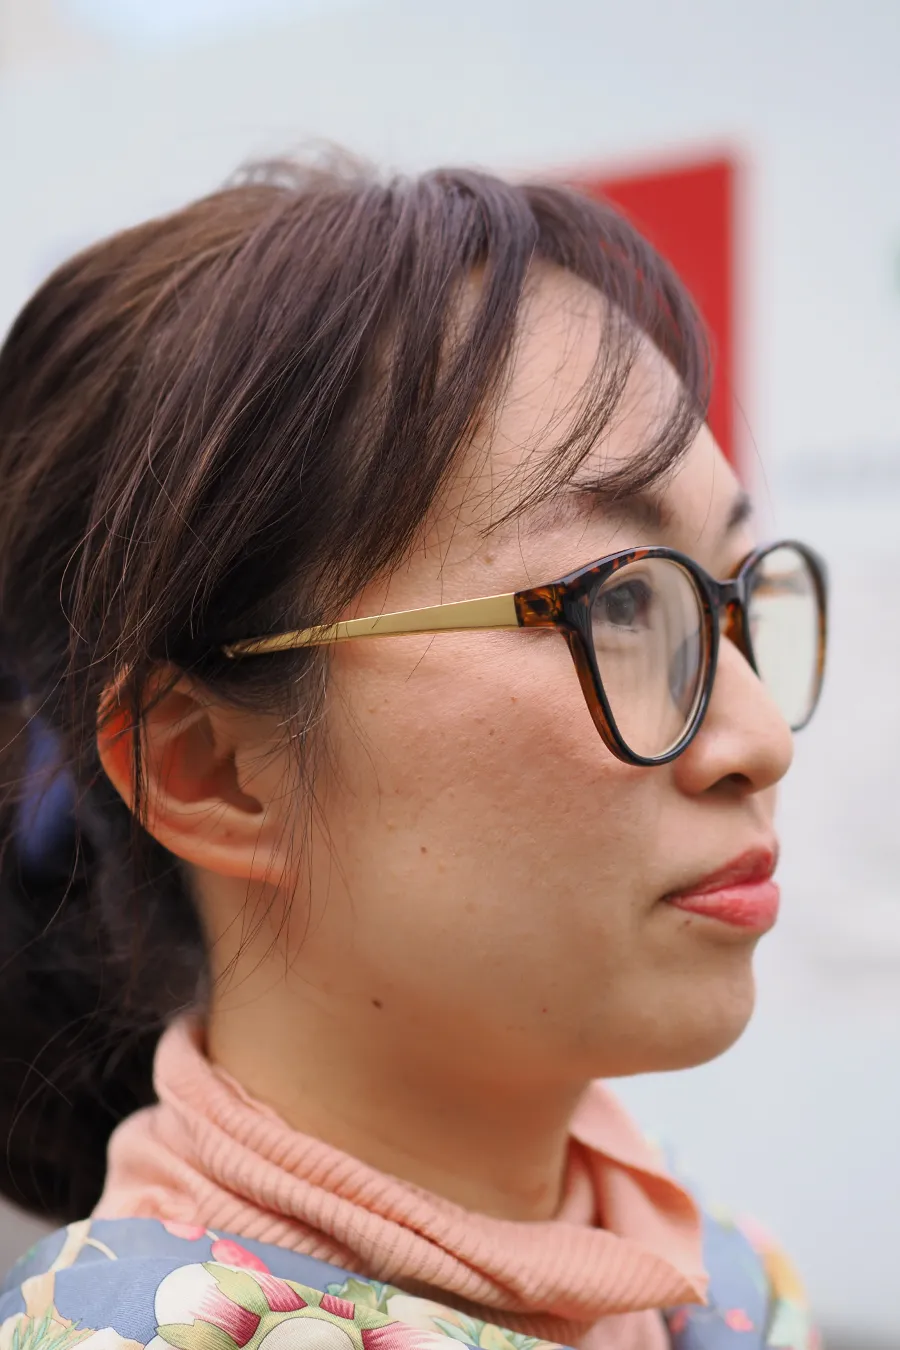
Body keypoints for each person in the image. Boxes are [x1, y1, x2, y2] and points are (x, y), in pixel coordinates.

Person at [0, 157, 826, 1350]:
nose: (758, 741)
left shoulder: (729, 1288)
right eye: (620, 605)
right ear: (209, 770)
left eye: (733, 598)